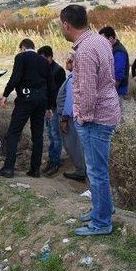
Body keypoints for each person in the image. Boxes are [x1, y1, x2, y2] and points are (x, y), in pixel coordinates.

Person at [60, 5, 121, 236]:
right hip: (107, 112)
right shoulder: (100, 40)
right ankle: (102, 208)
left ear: (66, 24)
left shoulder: (84, 51)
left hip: (95, 119)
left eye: (60, 25)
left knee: (96, 171)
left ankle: (102, 222)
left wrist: (81, 120)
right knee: (98, 169)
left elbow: (86, 93)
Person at [0, 38, 54, 179]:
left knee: (14, 132)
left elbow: (16, 77)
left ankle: (8, 168)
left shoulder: (21, 57)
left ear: (23, 47)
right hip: (41, 100)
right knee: (37, 135)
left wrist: (5, 95)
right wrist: (49, 106)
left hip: (26, 98)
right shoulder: (44, 61)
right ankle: (35, 170)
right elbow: (51, 85)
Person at [56, 52, 86, 182]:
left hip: (71, 118)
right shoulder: (77, 77)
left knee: (73, 144)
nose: (67, 63)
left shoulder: (73, 79)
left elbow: (70, 101)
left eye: (70, 61)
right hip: (77, 116)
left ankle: (80, 171)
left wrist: (64, 119)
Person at [38, 46, 66, 176]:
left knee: (56, 135)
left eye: (43, 58)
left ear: (50, 57)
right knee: (49, 134)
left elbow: (58, 93)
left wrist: (51, 107)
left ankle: (56, 161)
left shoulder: (58, 70)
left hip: (54, 107)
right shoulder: (43, 68)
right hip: (46, 106)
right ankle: (51, 159)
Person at [98, 26, 130, 106]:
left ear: (111, 38)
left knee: (117, 116)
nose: (101, 43)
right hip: (113, 91)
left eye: (103, 40)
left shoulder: (119, 51)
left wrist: (111, 94)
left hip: (118, 91)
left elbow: (118, 75)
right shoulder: (112, 49)